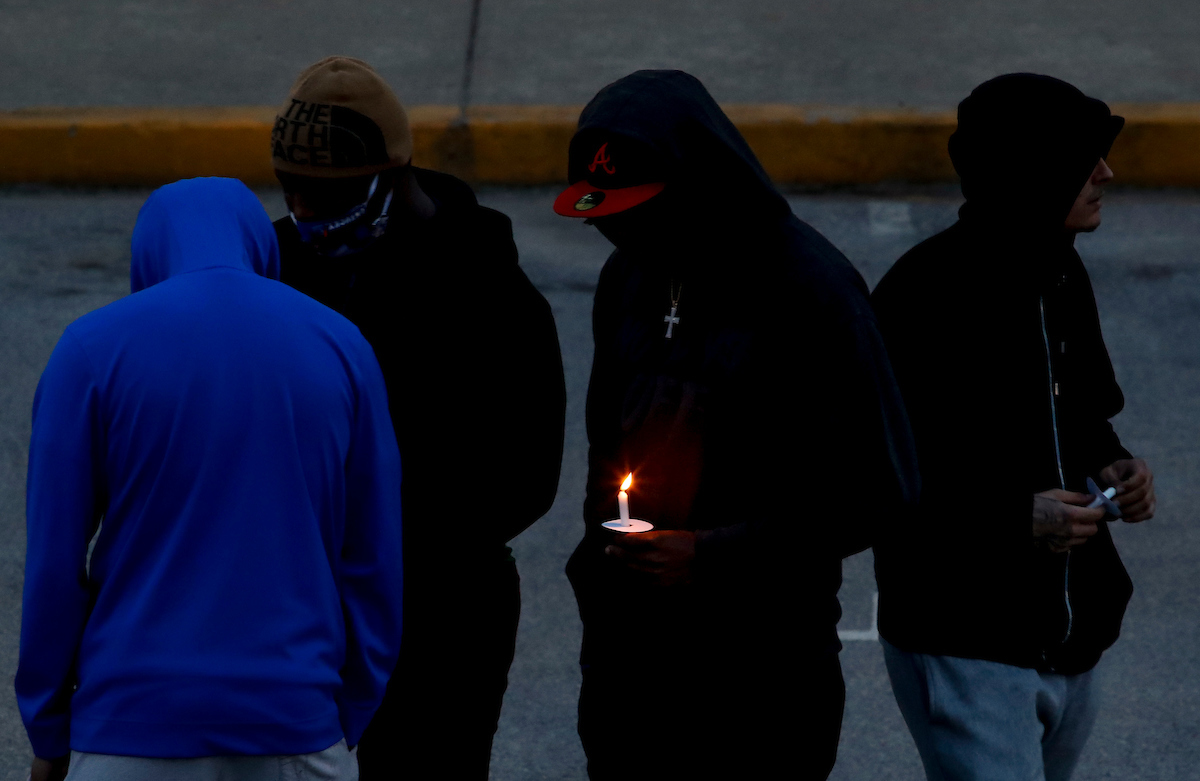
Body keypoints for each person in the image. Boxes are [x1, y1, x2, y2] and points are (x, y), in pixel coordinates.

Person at [554, 70, 920, 780]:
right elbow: (606, 449)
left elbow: (881, 488)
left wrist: (709, 553)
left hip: (763, 680)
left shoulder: (812, 291)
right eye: (600, 211)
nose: (608, 228)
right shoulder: (628, 276)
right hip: (634, 671)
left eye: (630, 211)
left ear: (695, 188)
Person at [16, 178, 404, 781]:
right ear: (258, 247)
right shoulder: (340, 346)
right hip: (294, 717)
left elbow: (52, 564)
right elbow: (373, 553)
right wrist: (350, 710)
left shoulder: (90, 350)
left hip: (129, 723)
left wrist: (47, 728)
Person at [270, 56, 567, 780]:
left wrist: (383, 543)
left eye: (326, 192)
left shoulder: (489, 290)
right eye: (290, 188)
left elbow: (526, 476)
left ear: (393, 173)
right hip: (299, 611)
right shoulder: (276, 266)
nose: (304, 211)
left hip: (441, 617)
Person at [871, 73, 1157, 781]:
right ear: (1031, 172)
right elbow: (876, 476)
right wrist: (1012, 518)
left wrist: (1114, 466)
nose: (1106, 173)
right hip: (966, 640)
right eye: (1083, 158)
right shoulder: (923, 297)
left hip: (1068, 634)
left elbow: (1083, 417)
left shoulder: (1060, 273)